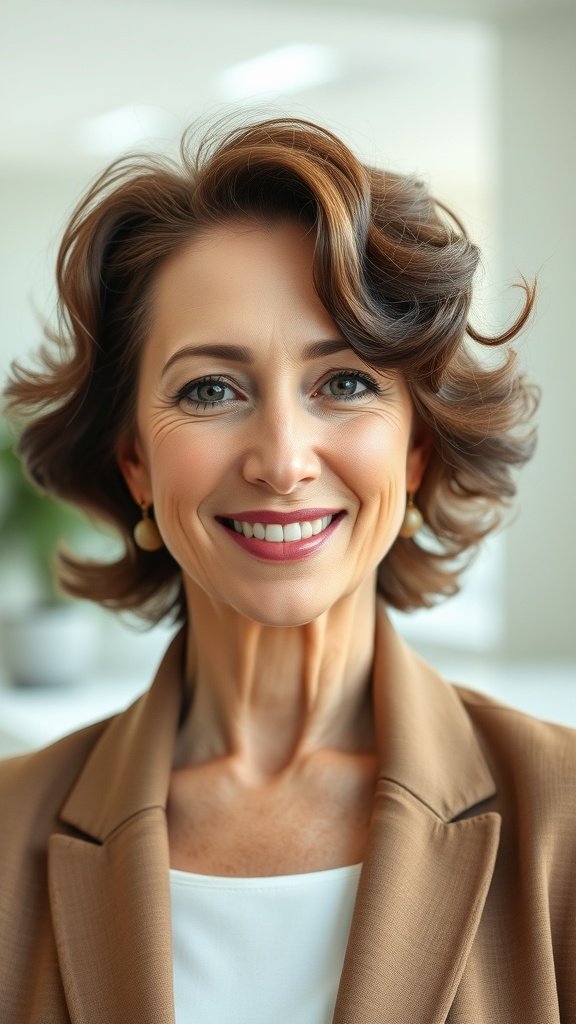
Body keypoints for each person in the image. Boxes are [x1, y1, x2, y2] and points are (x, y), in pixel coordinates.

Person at [0, 114, 574, 1024]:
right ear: (136, 460)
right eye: (211, 389)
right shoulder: (7, 829)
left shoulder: (565, 820)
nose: (282, 459)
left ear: (415, 448)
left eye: (343, 382)